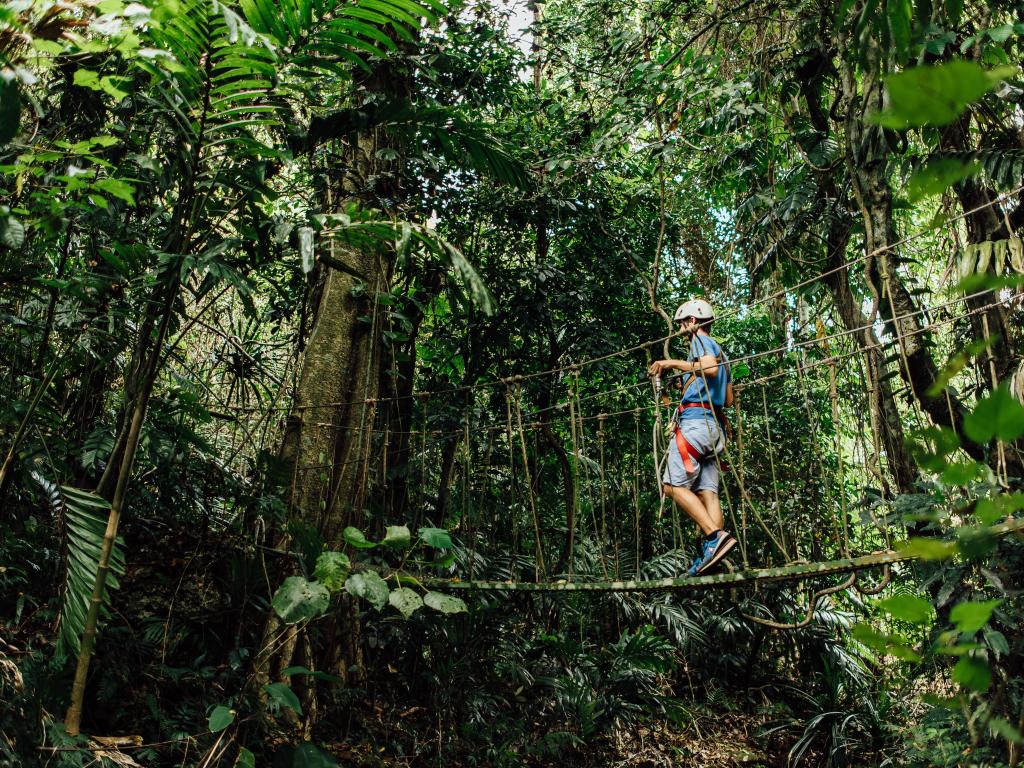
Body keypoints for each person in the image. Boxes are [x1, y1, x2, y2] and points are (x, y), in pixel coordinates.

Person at [648, 299, 735, 576]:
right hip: (714, 429)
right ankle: (714, 557)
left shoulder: (700, 341)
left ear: (693, 322)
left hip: (696, 426)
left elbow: (708, 369)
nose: (681, 329)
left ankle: (713, 539)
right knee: (707, 492)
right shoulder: (725, 356)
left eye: (683, 323)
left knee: (672, 486)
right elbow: (729, 399)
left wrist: (669, 362)